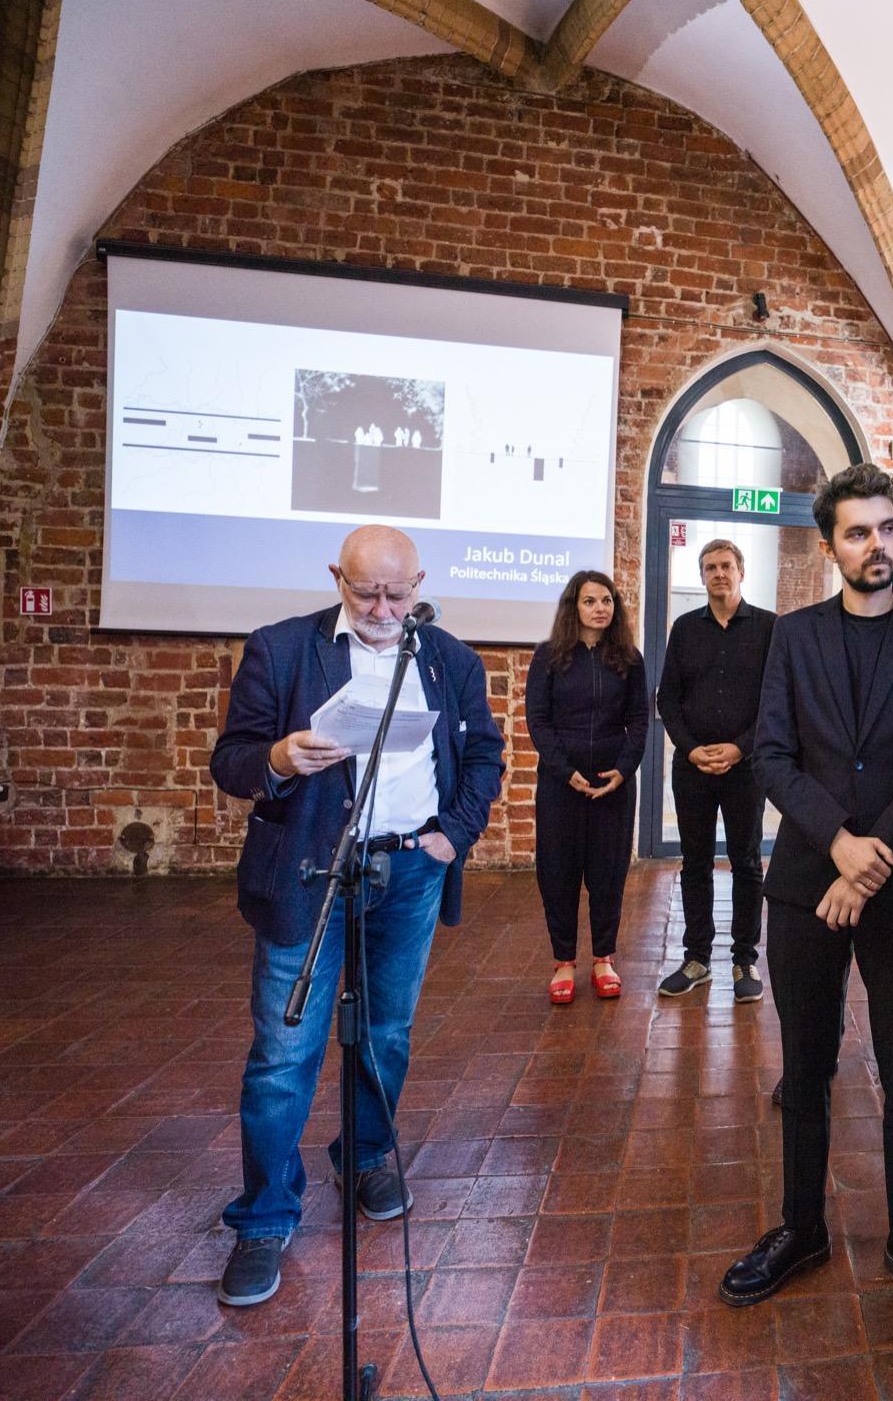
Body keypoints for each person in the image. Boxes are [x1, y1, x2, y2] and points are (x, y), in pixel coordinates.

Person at [208, 525, 505, 1307]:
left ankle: (366, 1150)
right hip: (311, 870)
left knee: (387, 1031)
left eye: (396, 593)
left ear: (420, 584)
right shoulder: (281, 649)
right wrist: (277, 759)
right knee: (285, 1049)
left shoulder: (449, 658)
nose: (380, 608)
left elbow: (485, 757)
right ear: (337, 576)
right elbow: (230, 758)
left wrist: (453, 835)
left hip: (409, 869)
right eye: (364, 590)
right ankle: (265, 1218)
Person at [719, 462, 893, 1329]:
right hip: (804, 885)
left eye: (888, 528)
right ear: (830, 545)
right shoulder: (794, 636)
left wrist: (870, 865)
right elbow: (773, 755)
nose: (878, 546)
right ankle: (801, 1227)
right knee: (807, 1065)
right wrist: (836, 843)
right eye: (859, 532)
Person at [656, 538, 776, 1003]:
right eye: (710, 568)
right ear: (702, 576)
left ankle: (745, 959)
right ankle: (697, 958)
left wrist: (740, 748)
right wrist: (691, 750)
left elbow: (775, 701)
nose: (719, 574)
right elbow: (668, 698)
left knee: (746, 862)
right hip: (694, 769)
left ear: (741, 572)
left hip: (745, 768)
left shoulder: (769, 627)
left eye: (726, 566)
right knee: (696, 863)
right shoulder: (685, 629)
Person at [526, 570, 649, 1004]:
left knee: (608, 874)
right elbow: (538, 722)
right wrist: (565, 771)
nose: (600, 608)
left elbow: (640, 721)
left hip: (613, 785)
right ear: (573, 607)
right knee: (558, 874)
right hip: (563, 786)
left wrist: (623, 769)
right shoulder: (549, 656)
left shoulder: (629, 658)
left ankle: (603, 958)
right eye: (590, 601)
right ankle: (563, 962)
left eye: (607, 601)